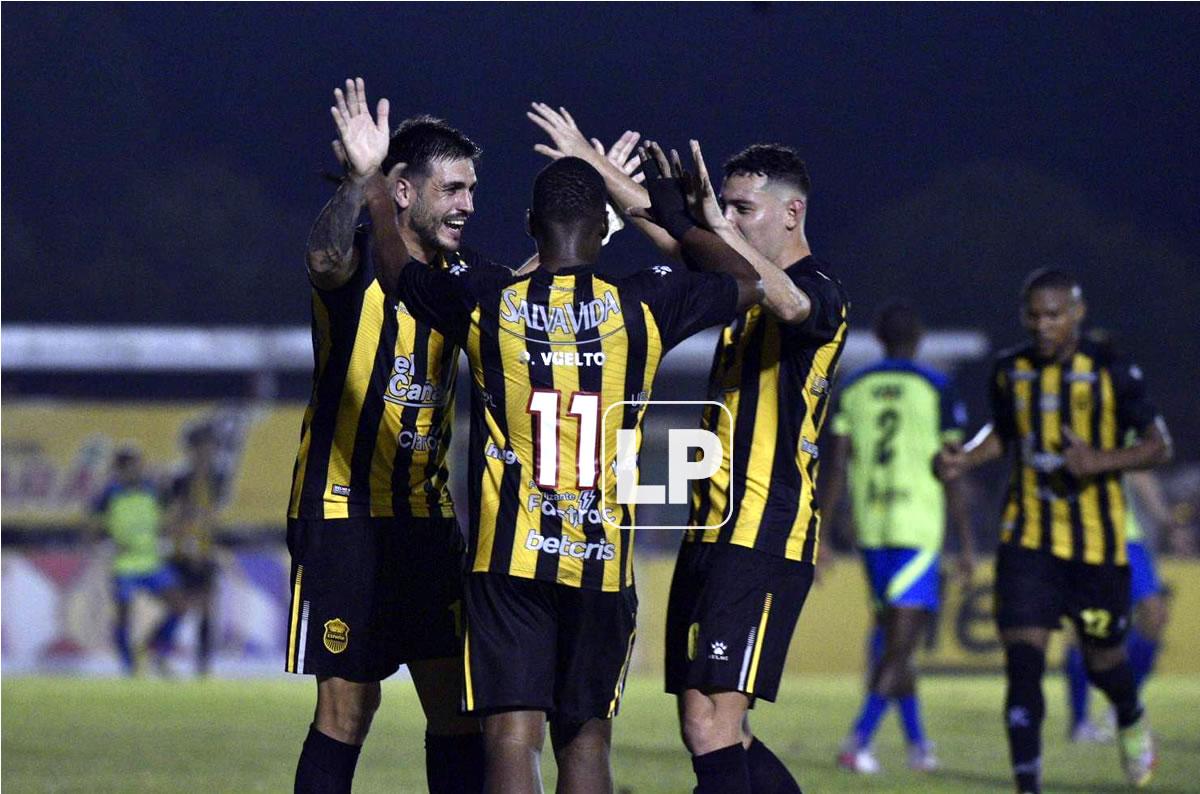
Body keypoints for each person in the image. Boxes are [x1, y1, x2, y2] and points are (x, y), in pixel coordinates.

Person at [360, 97, 762, 791]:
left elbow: (399, 272)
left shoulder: (489, 301)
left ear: (529, 226)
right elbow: (747, 279)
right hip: (602, 563)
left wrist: (375, 186)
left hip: (508, 560)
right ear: (602, 232)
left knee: (511, 737)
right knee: (586, 738)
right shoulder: (644, 305)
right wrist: (672, 212)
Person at [528, 109, 848, 794]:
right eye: (724, 205)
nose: (728, 219)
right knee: (711, 727)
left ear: (792, 213)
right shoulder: (740, 278)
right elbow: (671, 229)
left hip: (763, 531)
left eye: (743, 209)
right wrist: (592, 164)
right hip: (712, 528)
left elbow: (789, 304)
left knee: (711, 728)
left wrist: (711, 227)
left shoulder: (819, 291)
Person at [288, 77, 489, 794]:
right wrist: (358, 179)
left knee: (458, 711)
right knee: (348, 709)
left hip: (427, 522)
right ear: (403, 191)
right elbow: (322, 260)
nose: (468, 205)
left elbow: (531, 295)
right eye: (453, 189)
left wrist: (600, 219)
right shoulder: (356, 264)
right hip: (343, 515)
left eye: (471, 190)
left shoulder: (457, 279)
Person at [936, 269, 1172, 793]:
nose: (1042, 325)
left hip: (1097, 548)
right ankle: (1028, 785)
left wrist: (1099, 461)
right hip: (1027, 541)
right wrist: (964, 459)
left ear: (1076, 313)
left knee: (1104, 662)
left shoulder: (1112, 370)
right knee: (1024, 663)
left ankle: (1130, 714)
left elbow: (1159, 445)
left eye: (1053, 315)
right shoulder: (1010, 369)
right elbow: (1005, 432)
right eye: (1034, 315)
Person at [822, 301, 974, 774]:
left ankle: (919, 745)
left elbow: (835, 466)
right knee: (900, 647)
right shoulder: (937, 387)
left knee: (894, 641)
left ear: (878, 338)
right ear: (920, 338)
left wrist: (822, 533)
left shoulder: (854, 387)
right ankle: (857, 742)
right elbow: (952, 467)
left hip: (872, 529)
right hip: (917, 529)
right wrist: (966, 542)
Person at [1066, 464, 1172, 742]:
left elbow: (1139, 470)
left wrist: (1165, 519)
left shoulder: (1122, 434)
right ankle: (1080, 722)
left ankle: (1123, 709)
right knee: (1084, 629)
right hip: (1083, 536)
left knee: (1155, 615)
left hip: (1128, 537)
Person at [89, 445, 188, 676]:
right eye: (128, 467)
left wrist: (167, 534)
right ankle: (128, 665)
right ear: (119, 469)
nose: (134, 470)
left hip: (151, 561)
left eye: (136, 465)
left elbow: (171, 512)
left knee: (179, 605)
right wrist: (106, 544)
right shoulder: (109, 494)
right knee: (124, 613)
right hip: (124, 564)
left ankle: (155, 645)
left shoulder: (151, 490)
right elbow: (92, 525)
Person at [163, 422, 225, 677]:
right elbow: (174, 517)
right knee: (180, 607)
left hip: (205, 552)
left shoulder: (217, 480)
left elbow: (213, 518)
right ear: (192, 450)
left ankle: (203, 665)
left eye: (210, 447)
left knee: (208, 607)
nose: (206, 452)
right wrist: (185, 543)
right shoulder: (181, 480)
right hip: (183, 552)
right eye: (202, 447)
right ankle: (158, 651)